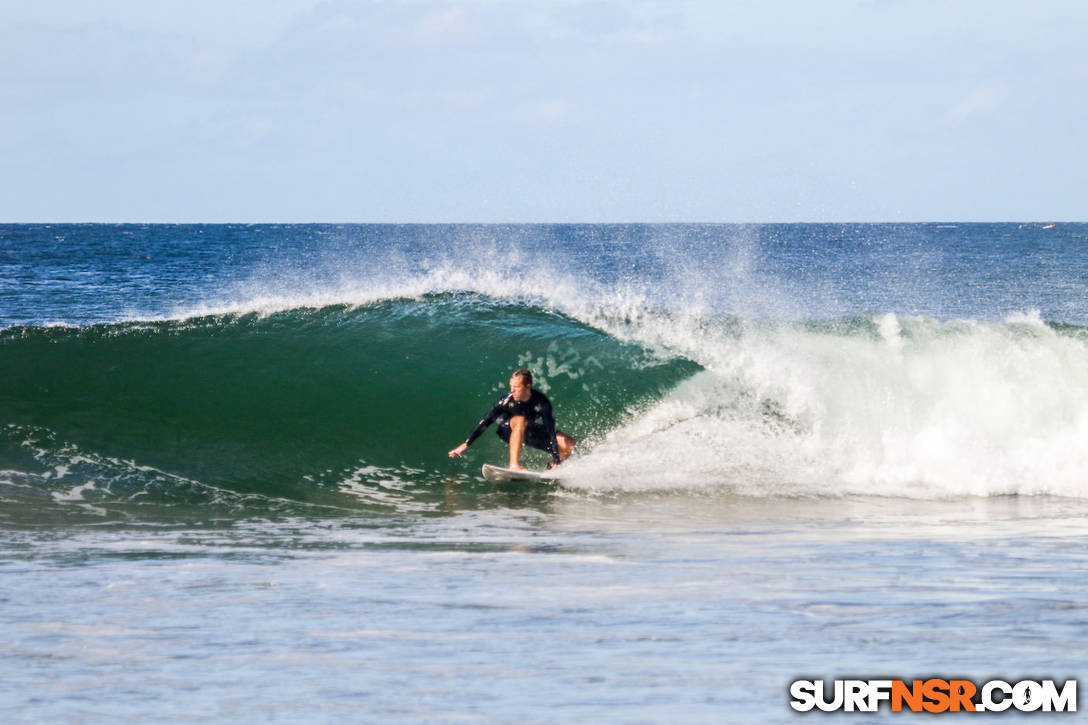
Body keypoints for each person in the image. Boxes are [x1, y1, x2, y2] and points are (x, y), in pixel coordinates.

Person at [448, 369, 575, 470]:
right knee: (520, 420)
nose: (512, 390)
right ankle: (513, 465)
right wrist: (466, 444)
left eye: (516, 387)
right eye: (511, 386)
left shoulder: (541, 402)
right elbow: (486, 421)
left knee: (569, 442)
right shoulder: (505, 401)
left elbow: (550, 430)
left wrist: (557, 459)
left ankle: (551, 468)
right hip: (507, 430)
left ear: (528, 386)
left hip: (529, 431)